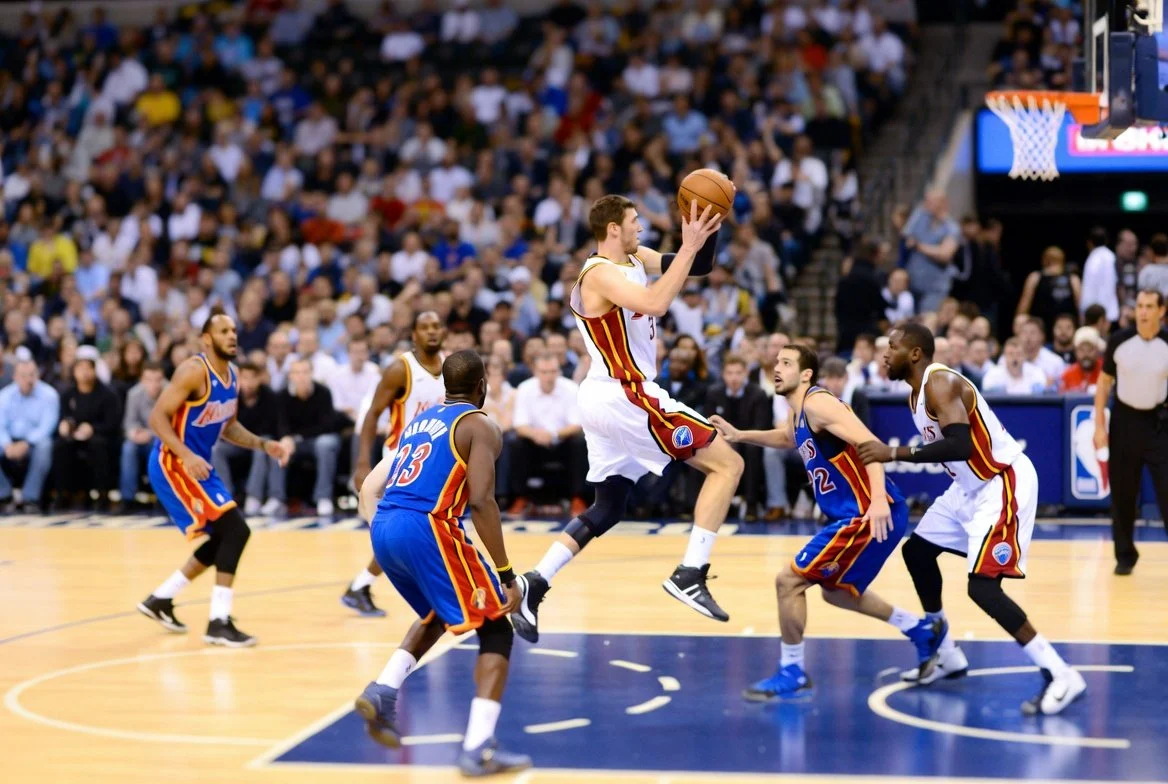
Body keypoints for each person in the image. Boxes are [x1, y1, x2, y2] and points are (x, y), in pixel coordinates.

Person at [512, 195, 740, 644]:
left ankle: (532, 583)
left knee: (610, 504)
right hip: (625, 391)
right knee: (728, 465)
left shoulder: (635, 256)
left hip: (608, 395)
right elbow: (656, 302)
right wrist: (691, 246)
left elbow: (693, 268)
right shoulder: (598, 272)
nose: (642, 228)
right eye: (635, 222)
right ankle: (690, 572)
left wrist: (709, 223)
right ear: (612, 228)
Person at [857, 322, 1086, 716]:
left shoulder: (940, 383)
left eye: (891, 347)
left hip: (1001, 481)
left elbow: (961, 445)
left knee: (982, 589)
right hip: (966, 488)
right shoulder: (914, 393)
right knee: (917, 553)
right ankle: (946, 653)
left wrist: (893, 454)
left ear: (914, 353)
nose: (884, 354)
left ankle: (1061, 672)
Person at [710, 344, 940, 700]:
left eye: (786, 363)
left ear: (806, 374)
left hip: (869, 512)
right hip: (856, 513)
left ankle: (793, 671)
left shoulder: (819, 403)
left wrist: (878, 499)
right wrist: (741, 435)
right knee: (836, 593)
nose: (777, 367)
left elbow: (871, 444)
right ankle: (921, 629)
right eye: (776, 362)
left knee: (788, 582)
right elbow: (788, 439)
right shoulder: (797, 411)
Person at [352, 350, 528, 776]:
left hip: (385, 526)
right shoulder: (479, 425)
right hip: (426, 526)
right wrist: (505, 574)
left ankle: (383, 690)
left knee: (436, 610)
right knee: (497, 627)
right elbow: (483, 502)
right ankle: (478, 748)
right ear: (482, 385)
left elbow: (377, 482)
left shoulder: (420, 421)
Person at [137, 308, 293, 647]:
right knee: (236, 529)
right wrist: (186, 454)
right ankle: (218, 622)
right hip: (173, 463)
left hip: (199, 466)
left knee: (226, 536)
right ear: (206, 339)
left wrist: (264, 445)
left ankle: (161, 599)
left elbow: (228, 426)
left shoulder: (234, 375)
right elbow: (156, 418)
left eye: (234, 330)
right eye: (223, 331)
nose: (232, 336)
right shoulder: (193, 371)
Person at [343, 311, 447, 616]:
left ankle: (360, 587)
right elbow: (373, 414)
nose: (431, 331)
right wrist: (362, 462)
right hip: (400, 462)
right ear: (413, 335)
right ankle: (434, 595)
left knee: (415, 532)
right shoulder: (399, 370)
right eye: (424, 327)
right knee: (410, 531)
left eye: (436, 325)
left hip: (433, 463)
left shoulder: (449, 368)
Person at [1093, 289, 1168, 575]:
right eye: (1139, 306)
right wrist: (1099, 425)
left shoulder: (1167, 343)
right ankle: (1125, 556)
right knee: (1123, 494)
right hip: (1125, 422)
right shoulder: (1119, 341)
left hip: (1159, 424)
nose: (1143, 311)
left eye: (1150, 306)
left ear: (1161, 311)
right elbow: (1103, 384)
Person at [0, 358, 59, 512]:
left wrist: (26, 443)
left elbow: (48, 426)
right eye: (24, 375)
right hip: (10, 442)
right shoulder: (5, 395)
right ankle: (4, 495)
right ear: (14, 376)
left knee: (45, 445)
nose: (29, 379)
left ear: (38, 375)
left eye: (32, 374)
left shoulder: (49, 395)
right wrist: (6, 444)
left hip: (34, 443)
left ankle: (30, 499)